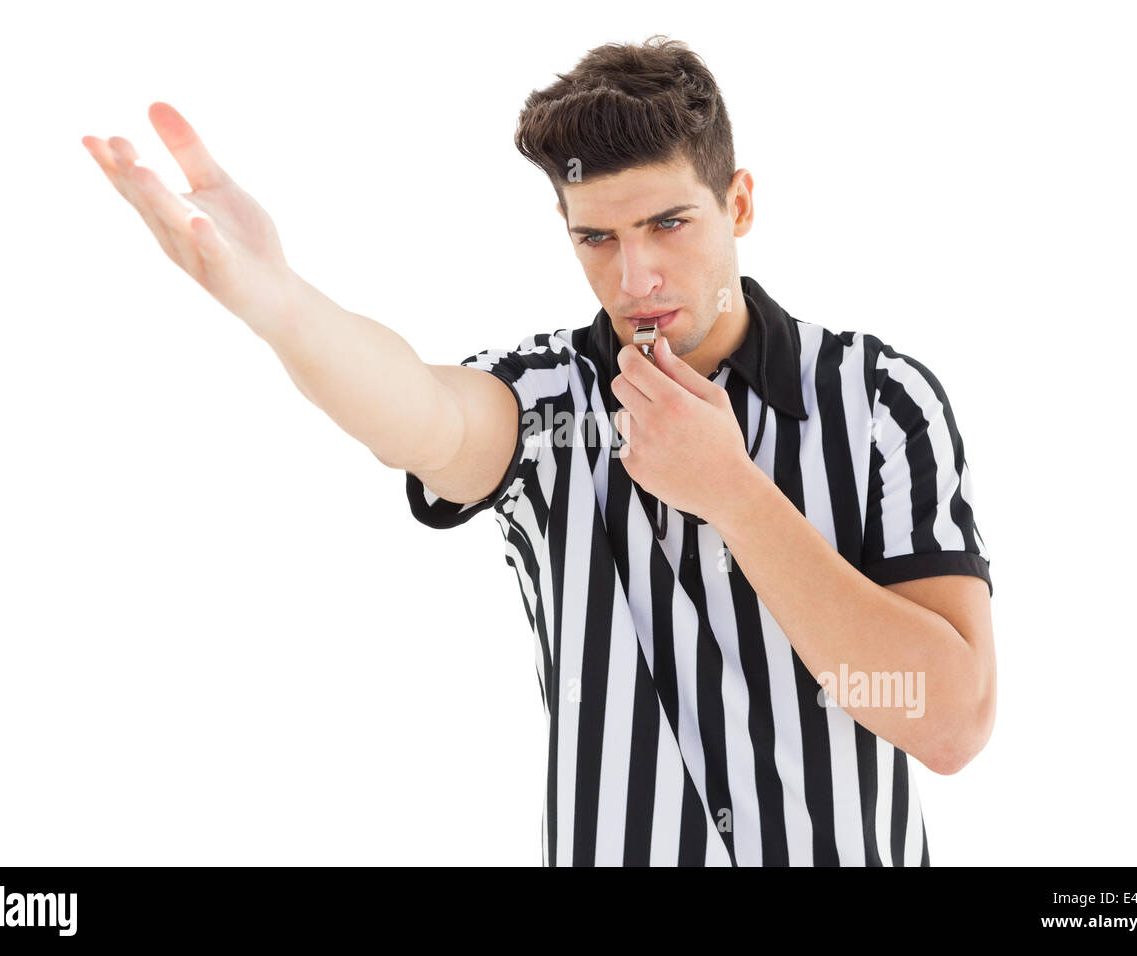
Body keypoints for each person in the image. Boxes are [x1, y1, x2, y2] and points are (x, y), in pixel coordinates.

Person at [83, 34, 995, 867]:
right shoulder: (549, 397)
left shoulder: (878, 401)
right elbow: (425, 413)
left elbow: (952, 723)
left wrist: (736, 495)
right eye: (595, 238)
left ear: (739, 203)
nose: (633, 278)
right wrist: (281, 307)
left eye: (667, 224)